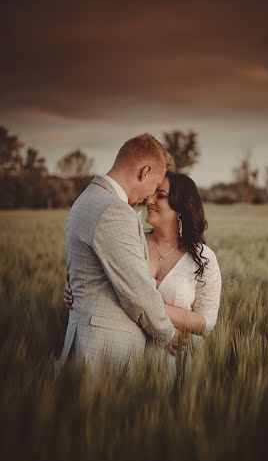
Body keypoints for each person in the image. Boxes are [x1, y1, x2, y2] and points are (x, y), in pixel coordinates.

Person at [64, 170, 222, 375]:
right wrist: (78, 288)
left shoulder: (204, 259)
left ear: (182, 207)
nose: (150, 199)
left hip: (174, 361)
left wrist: (147, 304)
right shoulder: (131, 243)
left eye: (161, 195)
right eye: (152, 193)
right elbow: (103, 280)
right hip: (125, 356)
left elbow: (206, 323)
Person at [55, 134, 180, 377]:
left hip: (89, 341)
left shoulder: (86, 199)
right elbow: (136, 290)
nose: (150, 197)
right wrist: (168, 334)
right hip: (105, 350)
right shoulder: (113, 209)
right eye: (154, 186)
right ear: (144, 172)